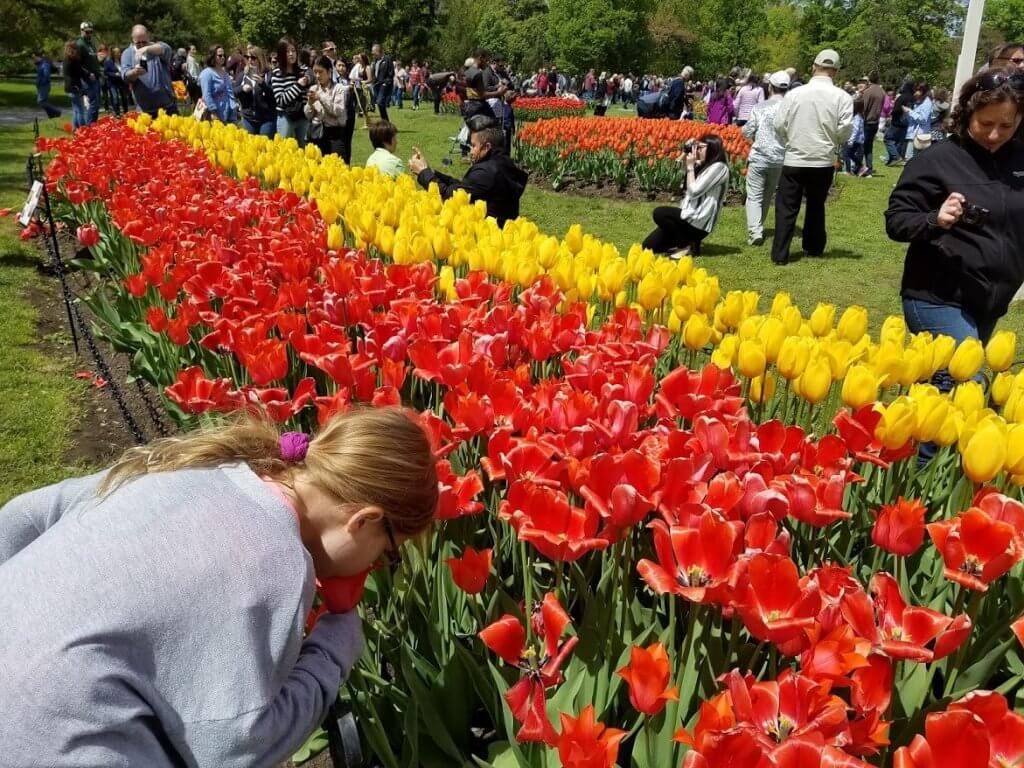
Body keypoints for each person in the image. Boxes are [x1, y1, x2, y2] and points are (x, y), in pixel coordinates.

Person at [0, 407, 438, 766]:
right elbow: (235, 750)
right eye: (387, 554)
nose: (376, 566)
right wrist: (334, 648)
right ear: (363, 521)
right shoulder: (276, 561)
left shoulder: (200, 466)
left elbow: (24, 515)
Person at [885, 68, 1024, 399]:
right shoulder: (938, 160)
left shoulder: (1020, 160)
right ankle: (926, 452)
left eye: (1006, 125)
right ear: (967, 113)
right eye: (985, 124)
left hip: (991, 298)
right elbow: (897, 220)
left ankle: (918, 441)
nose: (994, 135)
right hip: (937, 295)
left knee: (938, 392)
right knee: (964, 385)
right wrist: (936, 218)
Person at [770, 49, 854, 266]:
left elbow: (779, 124)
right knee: (816, 205)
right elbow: (845, 130)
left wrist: (791, 137)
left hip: (795, 157)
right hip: (823, 159)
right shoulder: (842, 97)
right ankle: (813, 247)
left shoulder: (795, 94)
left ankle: (780, 253)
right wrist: (833, 139)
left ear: (813, 67)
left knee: (787, 207)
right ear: (835, 71)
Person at [408, 119, 528, 227]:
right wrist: (430, 172)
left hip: (487, 238)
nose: (470, 151)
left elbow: (449, 195)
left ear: (486, 147)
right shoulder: (503, 164)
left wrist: (423, 172)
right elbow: (462, 187)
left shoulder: (485, 173)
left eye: (473, 146)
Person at [642, 134, 729, 257]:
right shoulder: (702, 164)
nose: (697, 150)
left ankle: (686, 245)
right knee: (647, 247)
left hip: (698, 222)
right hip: (688, 215)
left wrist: (690, 167)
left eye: (700, 147)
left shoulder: (719, 168)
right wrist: (685, 153)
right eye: (696, 147)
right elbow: (679, 177)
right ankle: (690, 242)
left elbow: (693, 191)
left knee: (660, 213)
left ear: (712, 149)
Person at [742, 70, 790, 246]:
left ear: (770, 87)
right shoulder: (791, 108)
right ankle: (758, 226)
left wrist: (744, 132)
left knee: (754, 195)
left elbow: (747, 131)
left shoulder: (760, 107)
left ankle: (755, 231)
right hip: (779, 159)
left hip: (759, 157)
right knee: (768, 194)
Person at [120, 25, 177, 118]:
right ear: (133, 40)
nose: (142, 45)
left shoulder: (157, 47)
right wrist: (135, 72)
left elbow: (166, 49)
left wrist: (147, 48)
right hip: (145, 110)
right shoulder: (127, 53)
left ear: (148, 37)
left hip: (168, 106)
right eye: (138, 43)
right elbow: (125, 76)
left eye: (144, 42)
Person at [305, 56, 348, 158]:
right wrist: (310, 104)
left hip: (335, 134)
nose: (317, 75)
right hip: (317, 134)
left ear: (329, 71)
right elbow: (308, 115)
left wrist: (320, 97)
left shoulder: (338, 89)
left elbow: (338, 111)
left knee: (337, 167)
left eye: (320, 72)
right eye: (315, 72)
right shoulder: (313, 88)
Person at [270, 37, 310, 145]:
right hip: (286, 117)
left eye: (293, 51)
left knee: (304, 150)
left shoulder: (303, 71)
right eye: (287, 52)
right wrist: (298, 85)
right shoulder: (277, 74)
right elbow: (281, 100)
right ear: (281, 54)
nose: (291, 54)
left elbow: (306, 97)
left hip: (303, 116)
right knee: (284, 150)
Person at [238, 47, 276, 136]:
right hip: (249, 119)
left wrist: (263, 84)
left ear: (260, 59)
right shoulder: (243, 74)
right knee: (249, 146)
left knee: (264, 147)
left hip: (267, 119)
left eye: (253, 58)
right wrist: (242, 88)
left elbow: (275, 96)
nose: (250, 60)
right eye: (247, 57)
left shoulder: (269, 75)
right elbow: (233, 91)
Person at [199, 45, 236, 123]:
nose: (223, 57)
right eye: (220, 55)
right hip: (214, 114)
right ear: (212, 56)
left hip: (228, 112)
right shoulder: (206, 73)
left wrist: (233, 108)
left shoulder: (225, 73)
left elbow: (229, 92)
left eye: (224, 55)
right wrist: (213, 112)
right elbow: (206, 95)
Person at [859, 70, 886, 176]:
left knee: (861, 145)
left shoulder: (868, 91)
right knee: (869, 147)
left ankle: (859, 167)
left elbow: (863, 108)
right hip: (875, 122)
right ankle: (869, 168)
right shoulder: (881, 91)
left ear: (869, 79)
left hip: (866, 121)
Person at [76, 22, 102, 125]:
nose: (89, 34)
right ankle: (89, 128)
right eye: (87, 32)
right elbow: (77, 64)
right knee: (93, 103)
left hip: (95, 78)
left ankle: (93, 125)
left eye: (91, 32)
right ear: (81, 31)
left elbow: (92, 60)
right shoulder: (80, 45)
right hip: (87, 79)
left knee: (96, 104)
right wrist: (87, 74)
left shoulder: (90, 44)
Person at [884, 80, 914, 165]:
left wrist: (892, 114)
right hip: (906, 122)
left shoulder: (903, 97)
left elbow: (896, 109)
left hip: (897, 121)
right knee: (897, 141)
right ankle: (891, 160)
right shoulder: (912, 98)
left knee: (887, 138)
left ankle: (896, 157)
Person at [902, 83, 932, 160]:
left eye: (917, 90)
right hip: (913, 134)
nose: (915, 93)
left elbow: (923, 120)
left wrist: (910, 111)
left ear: (922, 91)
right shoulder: (919, 102)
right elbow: (913, 119)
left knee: (910, 159)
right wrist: (907, 113)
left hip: (919, 135)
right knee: (909, 158)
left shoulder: (927, 103)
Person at [33, 51, 61, 119]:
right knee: (43, 101)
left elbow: (46, 76)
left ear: (38, 57)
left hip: (44, 85)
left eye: (34, 57)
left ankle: (57, 112)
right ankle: (51, 116)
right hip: (41, 86)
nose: (33, 59)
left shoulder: (45, 64)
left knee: (41, 101)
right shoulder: (40, 64)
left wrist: (40, 82)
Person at [371, 43, 394, 123]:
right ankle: (385, 122)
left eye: (373, 52)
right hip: (376, 85)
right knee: (380, 104)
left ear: (378, 51)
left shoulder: (387, 59)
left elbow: (391, 73)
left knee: (380, 102)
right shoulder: (374, 61)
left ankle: (385, 121)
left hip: (384, 84)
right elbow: (373, 73)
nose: (372, 54)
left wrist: (386, 83)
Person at [844, 99, 866, 174]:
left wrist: (851, 140)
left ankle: (848, 171)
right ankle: (861, 166)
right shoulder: (860, 116)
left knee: (846, 154)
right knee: (851, 154)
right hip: (859, 140)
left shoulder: (856, 117)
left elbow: (855, 130)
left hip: (854, 139)